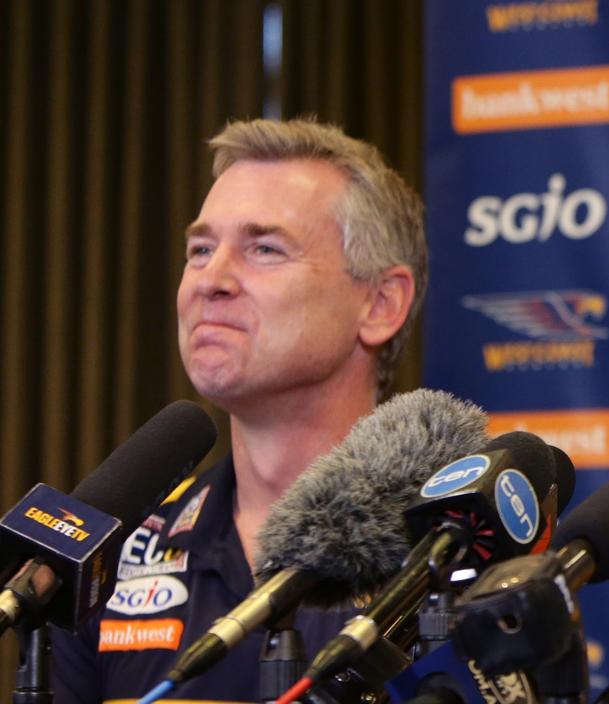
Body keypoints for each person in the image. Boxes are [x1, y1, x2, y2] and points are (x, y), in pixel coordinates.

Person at [53, 118, 427, 702]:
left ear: (380, 303)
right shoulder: (115, 557)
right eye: (200, 249)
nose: (212, 279)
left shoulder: (454, 549)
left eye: (265, 249)